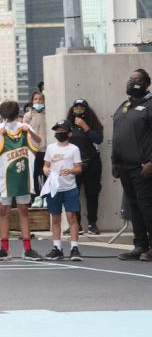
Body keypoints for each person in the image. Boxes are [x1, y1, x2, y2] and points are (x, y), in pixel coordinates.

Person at [0, 101, 42, 262]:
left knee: (23, 210)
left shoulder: (24, 126)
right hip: (5, 179)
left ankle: (28, 249)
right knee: (4, 210)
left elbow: (38, 141)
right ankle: (4, 249)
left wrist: (29, 131)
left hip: (23, 177)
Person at [110, 69, 152, 261]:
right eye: (131, 78)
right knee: (133, 207)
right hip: (125, 166)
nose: (133, 82)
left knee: (147, 206)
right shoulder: (125, 105)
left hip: (143, 166)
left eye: (137, 79)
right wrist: (115, 161)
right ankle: (140, 245)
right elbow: (117, 134)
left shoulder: (150, 104)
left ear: (146, 84)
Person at [42, 120, 83, 262]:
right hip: (54, 188)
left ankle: (74, 248)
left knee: (72, 217)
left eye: (62, 131)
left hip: (70, 187)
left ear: (69, 133)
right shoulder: (50, 148)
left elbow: (79, 168)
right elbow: (46, 166)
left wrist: (71, 170)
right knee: (55, 218)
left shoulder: (74, 149)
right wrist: (47, 171)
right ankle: (57, 247)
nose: (59, 133)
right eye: (57, 131)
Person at [66, 98, 104, 235]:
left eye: (82, 108)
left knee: (92, 194)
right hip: (74, 164)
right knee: (73, 194)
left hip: (92, 162)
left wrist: (85, 127)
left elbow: (98, 139)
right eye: (76, 108)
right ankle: (76, 224)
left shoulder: (93, 124)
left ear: (86, 110)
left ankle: (92, 224)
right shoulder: (68, 125)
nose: (78, 111)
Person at [24, 90, 48, 195]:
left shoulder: (48, 113)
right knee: (34, 175)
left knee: (46, 174)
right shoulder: (27, 115)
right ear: (32, 101)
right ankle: (37, 196)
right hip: (32, 150)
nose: (38, 101)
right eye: (36, 99)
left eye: (40, 99)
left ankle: (46, 195)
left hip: (45, 149)